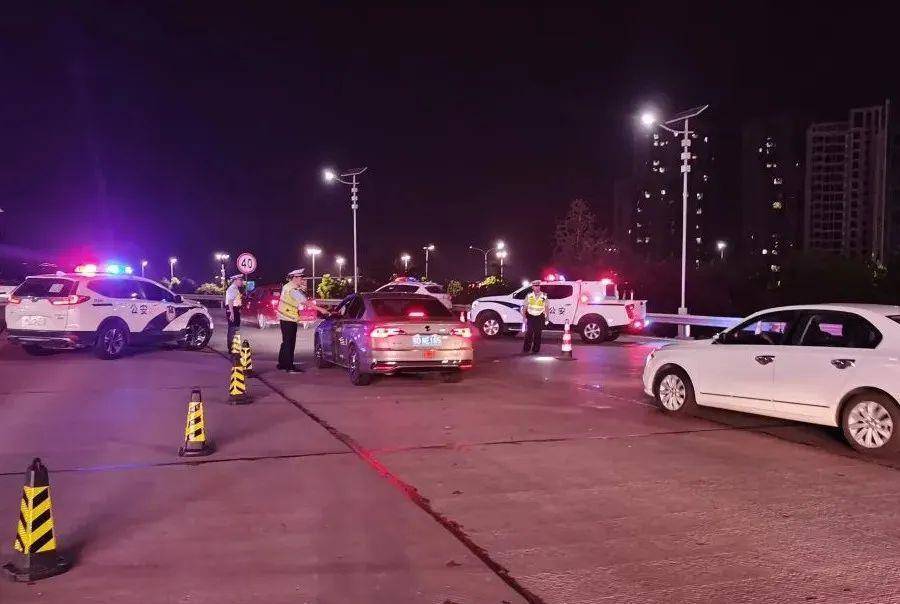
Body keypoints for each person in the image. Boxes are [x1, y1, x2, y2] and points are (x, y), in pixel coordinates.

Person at [277, 269, 308, 372]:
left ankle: (282, 364)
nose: (302, 280)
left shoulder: (287, 286)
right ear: (294, 278)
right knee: (290, 343)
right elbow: (304, 301)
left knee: (285, 342)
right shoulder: (292, 289)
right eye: (300, 278)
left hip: (284, 317)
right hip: (289, 318)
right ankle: (289, 366)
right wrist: (321, 309)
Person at [521, 280, 548, 354]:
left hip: (539, 317)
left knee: (538, 333)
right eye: (535, 286)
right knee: (529, 333)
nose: (537, 287)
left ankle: (536, 349)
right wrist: (524, 317)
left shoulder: (544, 295)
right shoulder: (529, 295)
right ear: (532, 287)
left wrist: (547, 318)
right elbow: (525, 307)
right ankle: (526, 348)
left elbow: (546, 307)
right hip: (530, 317)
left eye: (538, 286)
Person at [224, 274, 244, 348]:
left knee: (235, 328)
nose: (241, 282)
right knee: (233, 329)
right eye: (240, 280)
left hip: (234, 309)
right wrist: (232, 313)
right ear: (235, 280)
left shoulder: (235, 288)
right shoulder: (232, 289)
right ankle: (232, 347)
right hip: (233, 309)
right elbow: (230, 301)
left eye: (242, 280)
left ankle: (234, 347)